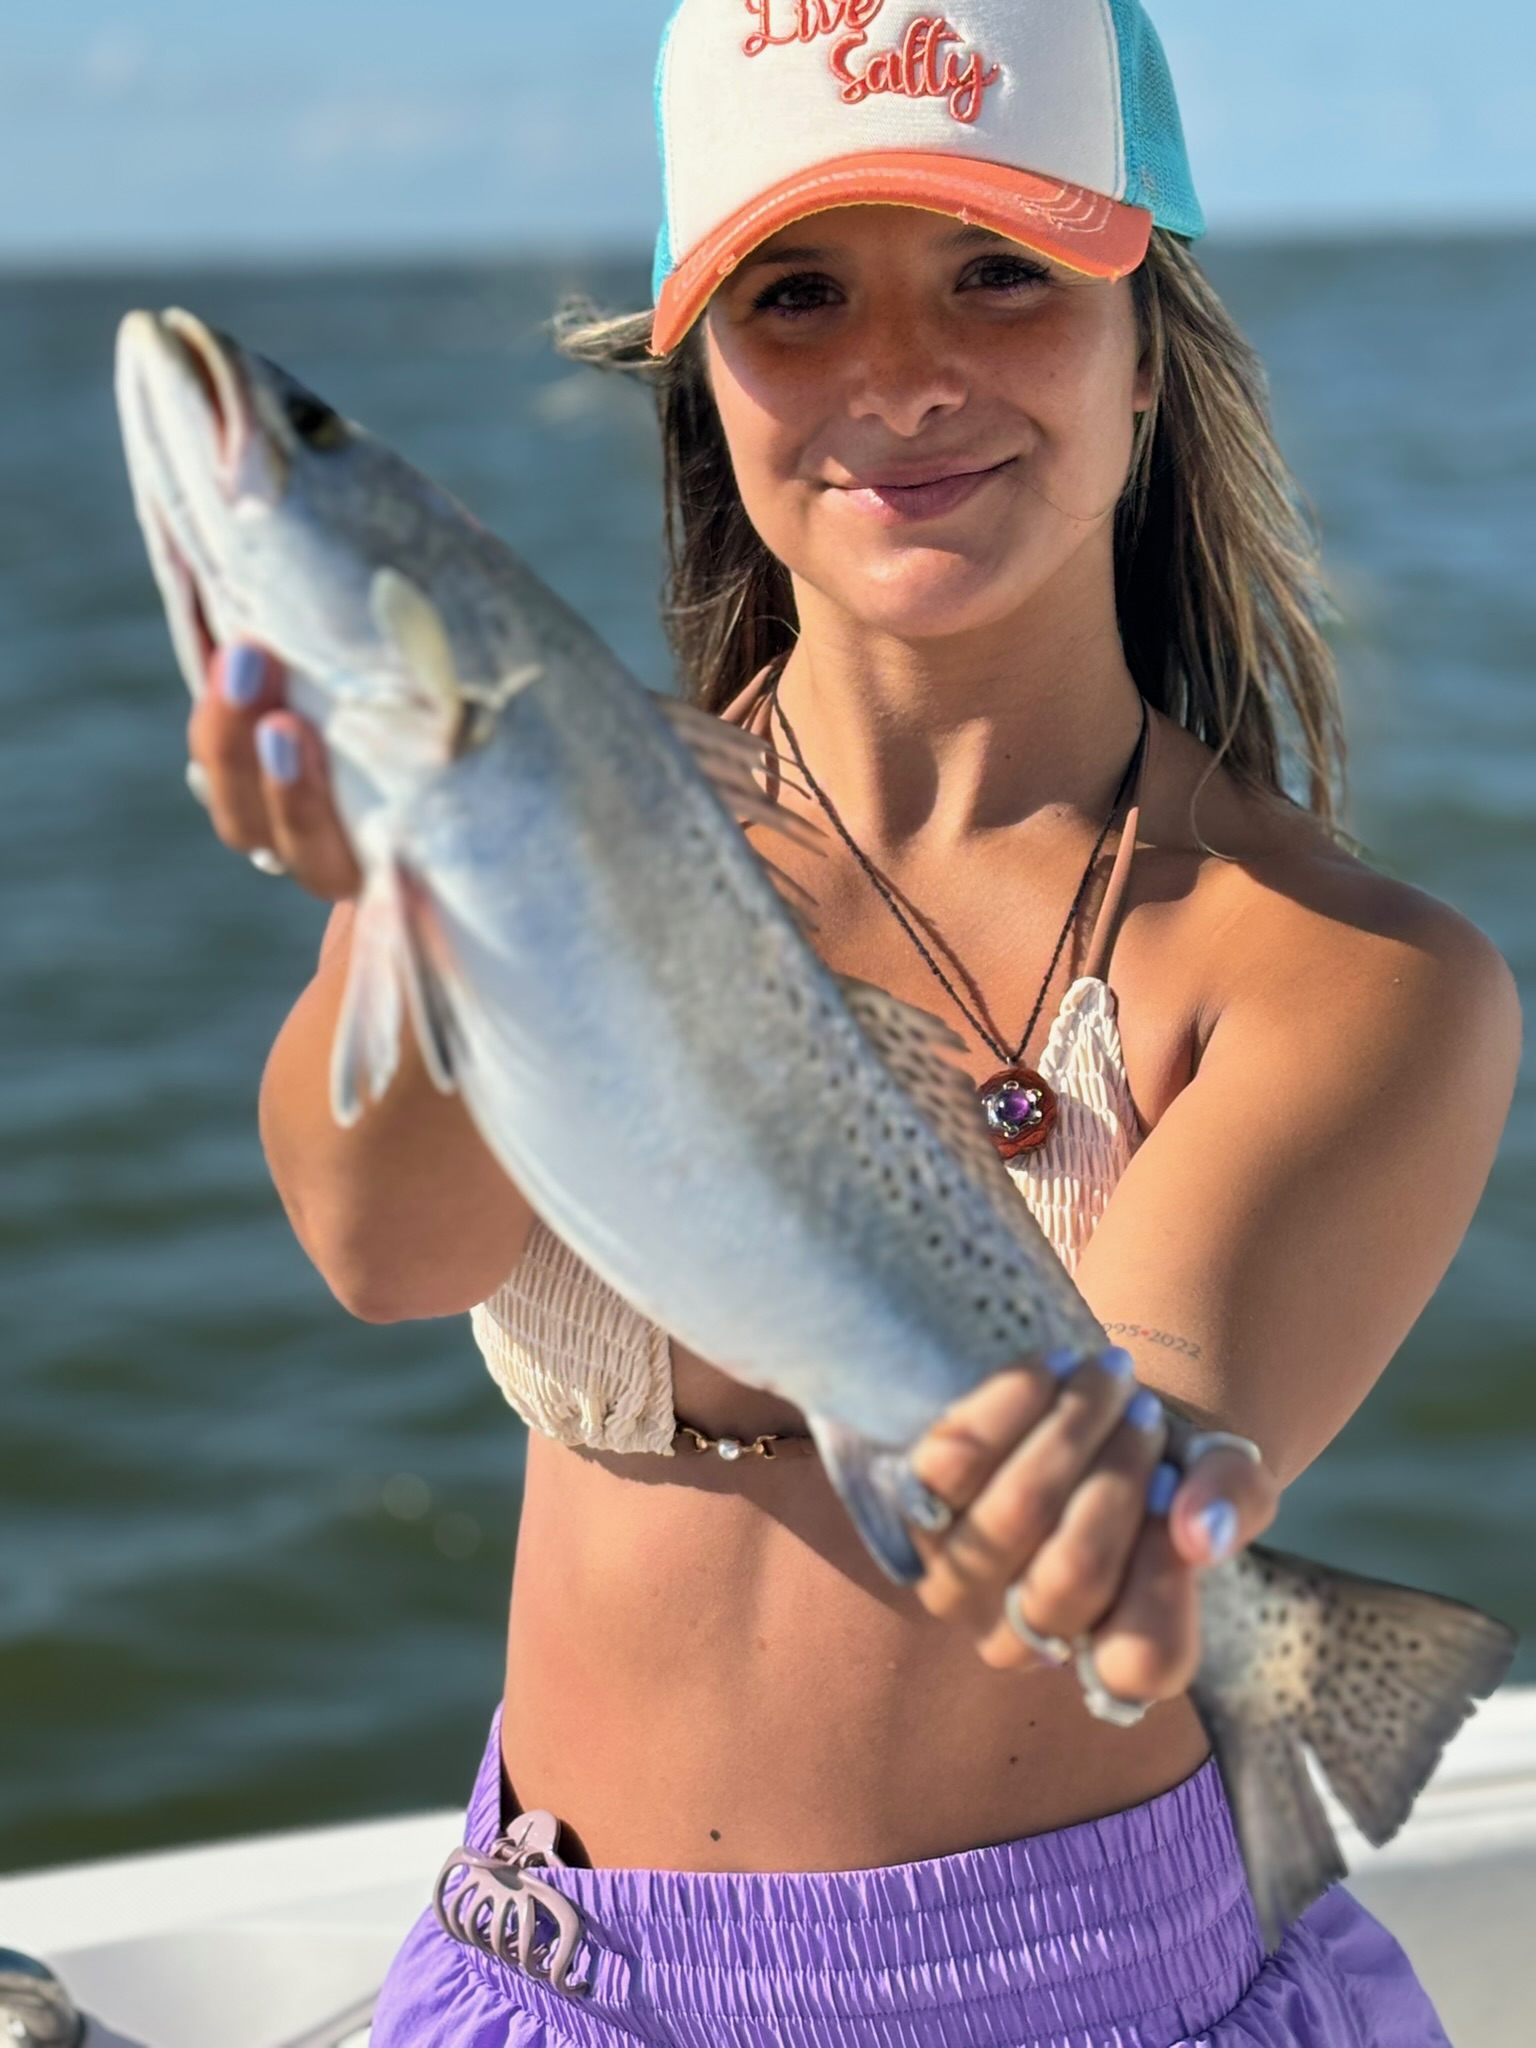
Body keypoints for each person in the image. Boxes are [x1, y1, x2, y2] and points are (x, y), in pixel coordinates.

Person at [188, 2, 1518, 2041]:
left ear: (1147, 344)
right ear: (697, 373)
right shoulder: (546, 826)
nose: (902, 374)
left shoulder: (1347, 973)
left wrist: (1127, 1519)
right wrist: (402, 893)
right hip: (548, 1970)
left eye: (1002, 275)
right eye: (796, 295)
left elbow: (1155, 1462)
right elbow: (382, 1248)